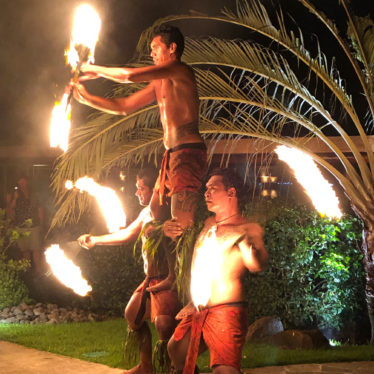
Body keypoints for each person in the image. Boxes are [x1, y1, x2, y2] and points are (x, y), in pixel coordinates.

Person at [72, 25, 207, 230]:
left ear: (172, 48)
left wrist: (95, 69)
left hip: (187, 152)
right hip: (171, 155)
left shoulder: (181, 70)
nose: (151, 53)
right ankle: (163, 258)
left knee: (181, 224)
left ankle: (191, 255)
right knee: (154, 215)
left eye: (155, 47)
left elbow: (129, 76)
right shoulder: (158, 82)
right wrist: (87, 99)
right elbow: (124, 107)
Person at [164, 168, 269, 374]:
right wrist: (169, 230)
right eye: (206, 189)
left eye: (213, 188)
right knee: (176, 349)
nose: (206, 193)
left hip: (227, 311)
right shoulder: (209, 224)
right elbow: (200, 261)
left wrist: (248, 246)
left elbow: (257, 264)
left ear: (231, 193)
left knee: (224, 371)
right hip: (200, 309)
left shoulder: (248, 228)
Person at [77, 169, 181, 374]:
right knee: (133, 316)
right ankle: (146, 366)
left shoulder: (172, 213)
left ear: (155, 191)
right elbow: (127, 234)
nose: (137, 193)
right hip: (150, 278)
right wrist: (96, 240)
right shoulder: (145, 214)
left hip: (169, 280)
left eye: (141, 188)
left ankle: (177, 368)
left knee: (164, 325)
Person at [11, 177, 45, 274]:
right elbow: (11, 208)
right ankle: (28, 273)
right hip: (21, 227)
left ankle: (39, 273)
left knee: (36, 250)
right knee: (25, 250)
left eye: (24, 182)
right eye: (20, 182)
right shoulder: (16, 195)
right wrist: (15, 198)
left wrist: (41, 224)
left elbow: (40, 209)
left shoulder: (34, 194)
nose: (22, 184)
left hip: (34, 226)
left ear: (27, 182)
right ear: (18, 183)